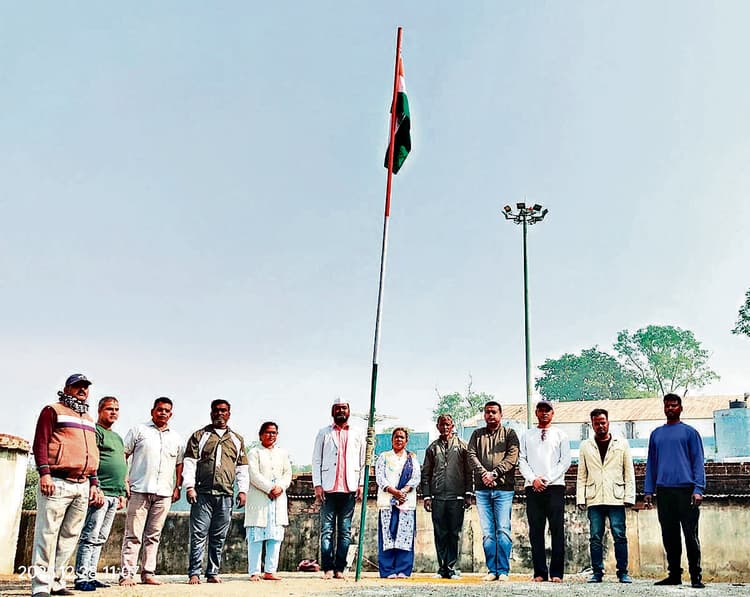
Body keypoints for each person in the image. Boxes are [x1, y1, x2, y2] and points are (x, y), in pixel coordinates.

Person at [31, 374, 103, 597]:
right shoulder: (53, 410)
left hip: (82, 484)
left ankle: (57, 582)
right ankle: (40, 586)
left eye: (85, 387)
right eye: (77, 386)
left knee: (70, 536)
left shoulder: (88, 418)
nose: (82, 390)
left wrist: (94, 483)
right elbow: (40, 443)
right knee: (47, 534)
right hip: (57, 481)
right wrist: (44, 474)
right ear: (66, 389)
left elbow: (91, 453)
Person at [119, 397, 184, 586]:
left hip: (164, 492)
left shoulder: (176, 438)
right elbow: (123, 454)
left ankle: (148, 573)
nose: (163, 413)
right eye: (160, 409)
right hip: (139, 489)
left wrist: (177, 486)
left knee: (153, 535)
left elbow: (179, 464)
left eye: (167, 411)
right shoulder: (139, 430)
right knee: (133, 534)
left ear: (171, 414)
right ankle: (127, 574)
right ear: (152, 411)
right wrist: (124, 480)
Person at [183, 399, 248, 584]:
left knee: (218, 536)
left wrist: (242, 491)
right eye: (216, 410)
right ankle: (194, 572)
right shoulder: (200, 436)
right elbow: (189, 463)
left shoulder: (236, 439)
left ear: (229, 414)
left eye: (223, 411)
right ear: (211, 413)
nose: (220, 414)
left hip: (225, 494)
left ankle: (212, 572)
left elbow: (242, 468)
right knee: (198, 534)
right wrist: (189, 487)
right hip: (202, 493)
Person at [644, 393, 706, 588]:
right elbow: (651, 464)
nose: (670, 408)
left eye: (674, 405)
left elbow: (698, 462)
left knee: (690, 535)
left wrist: (698, 489)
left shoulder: (690, 433)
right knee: (669, 535)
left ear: (680, 408)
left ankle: (696, 576)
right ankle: (674, 575)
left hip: (686, 491)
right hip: (664, 491)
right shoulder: (656, 434)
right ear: (664, 408)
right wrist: (648, 490)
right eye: (667, 405)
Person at [74, 396, 128, 591]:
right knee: (90, 535)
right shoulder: (95, 432)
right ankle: (81, 578)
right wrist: (94, 486)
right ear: (100, 411)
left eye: (116, 409)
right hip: (100, 492)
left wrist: (122, 492)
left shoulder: (118, 438)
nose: (113, 412)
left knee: (101, 537)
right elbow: (91, 458)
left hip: (114, 493)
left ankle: (91, 575)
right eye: (109, 409)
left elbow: (122, 464)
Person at [576, 408, 635, 584]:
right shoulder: (585, 446)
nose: (600, 426)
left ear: (608, 423)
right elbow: (581, 474)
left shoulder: (621, 443)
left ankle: (623, 572)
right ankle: (597, 572)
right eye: (597, 423)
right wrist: (581, 498)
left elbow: (628, 472)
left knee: (619, 535)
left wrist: (629, 497)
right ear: (592, 425)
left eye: (603, 422)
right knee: (595, 536)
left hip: (616, 496)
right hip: (594, 497)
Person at [311, 398, 366, 579]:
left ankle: (339, 569)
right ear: (332, 411)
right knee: (326, 530)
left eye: (344, 408)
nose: (341, 411)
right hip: (328, 488)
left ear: (349, 411)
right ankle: (327, 568)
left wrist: (360, 484)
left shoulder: (357, 433)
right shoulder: (324, 433)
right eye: (338, 408)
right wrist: (318, 485)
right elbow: (316, 460)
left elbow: (363, 461)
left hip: (349, 488)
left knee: (345, 531)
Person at [518, 399, 571, 583]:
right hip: (532, 487)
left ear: (552, 413)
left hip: (555, 487)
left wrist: (546, 479)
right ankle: (540, 572)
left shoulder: (561, 435)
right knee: (536, 531)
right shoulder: (527, 435)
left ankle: (557, 573)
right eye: (541, 410)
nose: (544, 413)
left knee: (557, 530)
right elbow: (522, 460)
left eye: (547, 410)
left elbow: (565, 462)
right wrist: (533, 479)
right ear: (536, 413)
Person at [467, 401, 520, 582]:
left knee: (503, 530)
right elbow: (471, 455)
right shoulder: (477, 434)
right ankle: (492, 570)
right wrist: (484, 474)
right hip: (482, 490)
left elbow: (512, 457)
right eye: (487, 412)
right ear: (484, 415)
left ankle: (503, 570)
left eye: (494, 412)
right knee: (488, 532)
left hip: (503, 490)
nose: (490, 415)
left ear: (501, 415)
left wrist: (495, 474)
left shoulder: (510, 434)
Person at [421, 414, 473, 579]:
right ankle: (442, 568)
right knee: (440, 533)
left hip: (456, 496)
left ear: (452, 426)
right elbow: (426, 474)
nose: (444, 427)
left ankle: (452, 567)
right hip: (437, 497)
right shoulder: (432, 448)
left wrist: (468, 493)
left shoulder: (462, 446)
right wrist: (427, 496)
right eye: (442, 424)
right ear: (437, 426)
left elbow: (469, 471)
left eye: (447, 424)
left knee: (454, 533)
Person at [244, 421, 292, 581]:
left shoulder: (282, 453)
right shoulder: (254, 453)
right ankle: (254, 571)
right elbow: (253, 475)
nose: (271, 435)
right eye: (268, 432)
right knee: (256, 538)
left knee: (275, 537)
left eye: (274, 433)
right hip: (259, 499)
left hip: (278, 499)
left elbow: (287, 474)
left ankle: (270, 571)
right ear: (261, 435)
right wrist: (270, 488)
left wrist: (280, 487)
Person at [375, 428, 421, 578]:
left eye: (402, 437)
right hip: (387, 502)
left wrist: (403, 491)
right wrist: (394, 492)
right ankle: (388, 570)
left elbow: (416, 478)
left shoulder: (412, 458)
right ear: (392, 439)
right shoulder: (383, 457)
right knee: (387, 536)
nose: (399, 440)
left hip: (406, 503)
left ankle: (403, 569)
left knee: (405, 536)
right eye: (396, 437)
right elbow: (380, 477)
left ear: (406, 441)